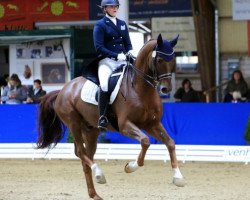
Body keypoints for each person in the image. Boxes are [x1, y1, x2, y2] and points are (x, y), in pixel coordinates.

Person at [93, 0, 135, 131]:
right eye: (111, 6)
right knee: (105, 84)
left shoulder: (122, 24)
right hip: (107, 61)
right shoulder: (100, 25)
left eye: (116, 6)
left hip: (123, 60)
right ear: (105, 9)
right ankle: (103, 117)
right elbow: (98, 47)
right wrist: (116, 56)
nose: (115, 8)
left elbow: (128, 44)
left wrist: (130, 52)